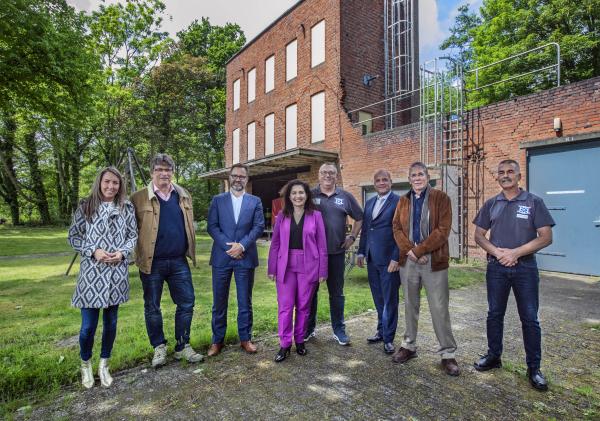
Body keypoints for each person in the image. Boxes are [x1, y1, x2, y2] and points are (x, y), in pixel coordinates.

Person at [473, 159, 554, 391]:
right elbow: (479, 236)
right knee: (494, 314)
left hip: (525, 268)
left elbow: (546, 237)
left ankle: (534, 368)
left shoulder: (533, 202)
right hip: (497, 268)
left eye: (510, 172)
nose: (505, 175)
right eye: (501, 172)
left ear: (519, 176)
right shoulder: (491, 204)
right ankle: (493, 356)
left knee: (530, 318)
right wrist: (499, 254)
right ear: (497, 177)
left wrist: (516, 253)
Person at [131, 153, 203, 368]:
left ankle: (182, 346)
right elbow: (130, 230)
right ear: (152, 172)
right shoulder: (138, 198)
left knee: (187, 302)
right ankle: (159, 348)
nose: (164, 173)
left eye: (167, 169)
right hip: (151, 263)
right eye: (159, 169)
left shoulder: (183, 195)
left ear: (172, 172)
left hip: (179, 261)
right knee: (152, 306)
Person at [68, 167, 137, 388]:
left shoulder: (126, 207)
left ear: (120, 185)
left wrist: (122, 253)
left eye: (115, 183)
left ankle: (104, 364)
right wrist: (93, 250)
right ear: (100, 182)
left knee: (111, 323)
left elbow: (132, 236)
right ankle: (85, 364)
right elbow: (74, 236)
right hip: (91, 276)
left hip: (116, 274)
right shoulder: (85, 206)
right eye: (107, 182)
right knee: (88, 327)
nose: (110, 187)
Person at [391, 162, 460, 376]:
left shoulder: (441, 198)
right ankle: (408, 346)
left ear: (427, 176)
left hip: (434, 260)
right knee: (410, 305)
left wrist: (421, 250)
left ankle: (448, 354)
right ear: (409, 179)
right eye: (413, 175)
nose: (417, 178)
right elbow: (396, 227)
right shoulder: (403, 201)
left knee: (439, 308)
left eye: (421, 174)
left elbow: (443, 230)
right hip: (409, 261)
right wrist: (411, 251)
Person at [207, 163, 265, 357]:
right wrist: (229, 247)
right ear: (229, 178)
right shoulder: (218, 200)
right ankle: (217, 341)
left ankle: (245, 339)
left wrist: (241, 246)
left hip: (245, 257)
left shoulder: (255, 201)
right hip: (222, 257)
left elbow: (258, 227)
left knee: (244, 301)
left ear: (246, 179)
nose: (238, 179)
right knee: (219, 301)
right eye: (234, 175)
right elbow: (212, 227)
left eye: (242, 176)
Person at [267, 180, 328, 362]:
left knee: (303, 306)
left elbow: (322, 246)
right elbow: (275, 243)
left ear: (307, 195)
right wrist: (272, 268)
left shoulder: (316, 216)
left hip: (309, 265)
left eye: (301, 193)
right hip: (285, 266)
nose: (298, 196)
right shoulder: (281, 217)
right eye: (294, 193)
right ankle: (285, 344)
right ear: (289, 196)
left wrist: (322, 270)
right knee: (285, 307)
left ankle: (300, 340)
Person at [306, 162, 363, 346]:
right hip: (313, 255)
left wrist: (352, 237)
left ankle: (339, 330)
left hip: (336, 253)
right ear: (319, 175)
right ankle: (308, 329)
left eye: (331, 173)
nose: (328, 176)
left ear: (336, 176)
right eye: (324, 172)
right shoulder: (310, 195)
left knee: (336, 294)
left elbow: (360, 217)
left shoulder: (345, 196)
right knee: (310, 293)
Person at [357, 169, 401, 354]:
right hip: (372, 258)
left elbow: (403, 232)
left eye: (385, 180)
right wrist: (360, 252)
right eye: (378, 180)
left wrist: (397, 257)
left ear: (391, 182)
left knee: (390, 299)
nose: (381, 183)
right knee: (378, 298)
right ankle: (381, 331)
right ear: (374, 183)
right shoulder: (370, 202)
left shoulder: (399, 202)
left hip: (389, 259)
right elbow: (366, 229)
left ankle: (389, 339)